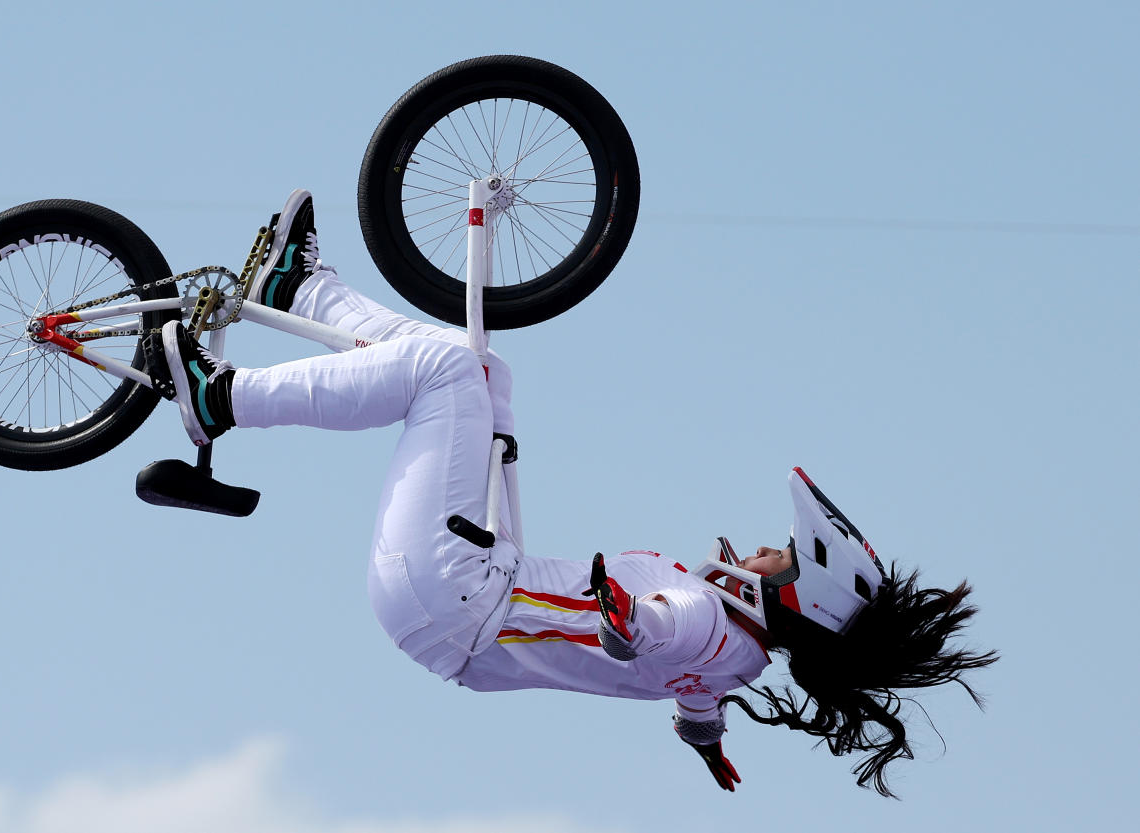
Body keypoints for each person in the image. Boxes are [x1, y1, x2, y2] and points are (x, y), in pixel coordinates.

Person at [157, 189, 998, 797]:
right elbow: (693, 697)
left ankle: (217, 398)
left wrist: (627, 620)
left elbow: (660, 632)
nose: (762, 545)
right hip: (459, 605)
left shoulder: (703, 620)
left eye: (780, 551)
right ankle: (294, 293)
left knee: (448, 371)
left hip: (456, 594)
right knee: (484, 372)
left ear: (795, 591)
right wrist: (706, 747)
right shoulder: (731, 659)